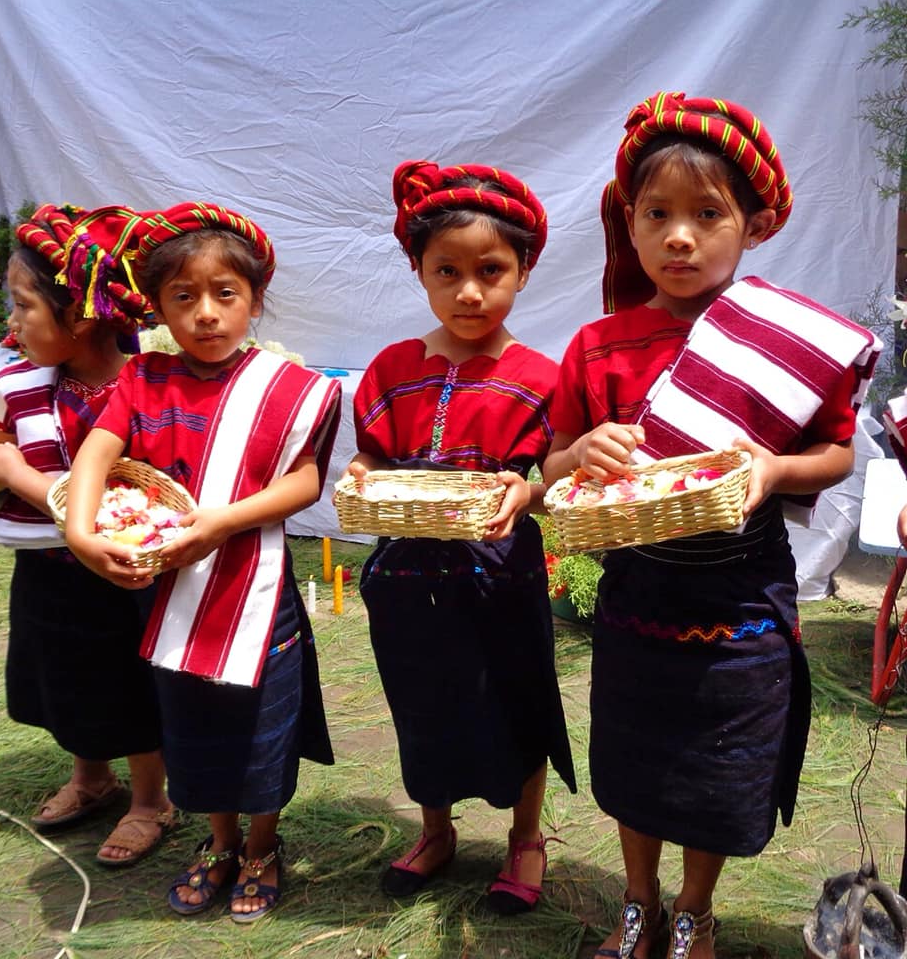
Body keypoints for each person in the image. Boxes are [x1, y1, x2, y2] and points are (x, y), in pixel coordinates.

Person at [544, 91, 880, 959]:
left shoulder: (783, 340)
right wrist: (581, 451)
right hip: (637, 593)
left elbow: (838, 454)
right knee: (633, 756)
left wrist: (772, 469)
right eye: (656, 215)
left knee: (720, 765)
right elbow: (547, 469)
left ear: (755, 224)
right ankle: (639, 901)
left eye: (706, 214)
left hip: (740, 598)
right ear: (631, 223)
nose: (679, 236)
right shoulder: (597, 345)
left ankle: (694, 907)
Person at [63, 201, 341, 923]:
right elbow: (97, 450)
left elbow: (305, 481)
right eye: (183, 298)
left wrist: (222, 522)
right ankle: (218, 843)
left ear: (254, 299)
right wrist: (79, 529)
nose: (207, 314)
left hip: (255, 589)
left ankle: (260, 846)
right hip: (171, 594)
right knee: (191, 724)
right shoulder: (145, 380)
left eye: (226, 294)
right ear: (157, 307)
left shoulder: (288, 389)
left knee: (259, 726)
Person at [347, 160, 576, 914]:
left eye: (491, 270)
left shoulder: (543, 378)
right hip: (407, 579)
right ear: (419, 270)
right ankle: (436, 829)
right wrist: (360, 472)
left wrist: (533, 489)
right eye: (447, 270)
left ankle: (525, 838)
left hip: (502, 578)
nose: (469, 291)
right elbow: (375, 454)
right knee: (422, 704)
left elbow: (554, 479)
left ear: (525, 269)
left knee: (520, 701)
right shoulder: (390, 370)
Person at [0, 203, 173, 866]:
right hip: (47, 566)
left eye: (24, 307)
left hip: (117, 570)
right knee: (63, 677)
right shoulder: (21, 387)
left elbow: (111, 494)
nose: (12, 323)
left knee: (126, 686)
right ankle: (90, 778)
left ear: (78, 316)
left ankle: (149, 798)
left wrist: (17, 476)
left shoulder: (145, 390)